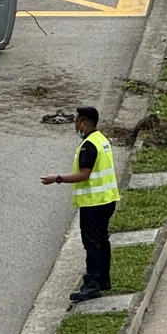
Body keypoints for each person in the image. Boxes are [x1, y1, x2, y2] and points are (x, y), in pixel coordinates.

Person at [41, 105, 121, 302]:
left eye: (77, 121)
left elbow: (84, 175)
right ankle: (104, 279)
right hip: (107, 200)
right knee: (102, 240)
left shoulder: (88, 145)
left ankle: (92, 283)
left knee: (92, 243)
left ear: (85, 123)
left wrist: (57, 178)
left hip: (94, 203)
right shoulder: (101, 140)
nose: (75, 125)